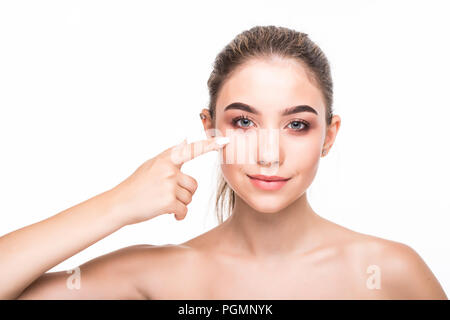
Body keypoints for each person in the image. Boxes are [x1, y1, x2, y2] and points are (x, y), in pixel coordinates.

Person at [0, 25, 447, 300]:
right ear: (211, 128)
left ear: (329, 135)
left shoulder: (388, 271)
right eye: (244, 122)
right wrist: (118, 204)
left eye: (297, 125)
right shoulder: (154, 274)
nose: (269, 154)